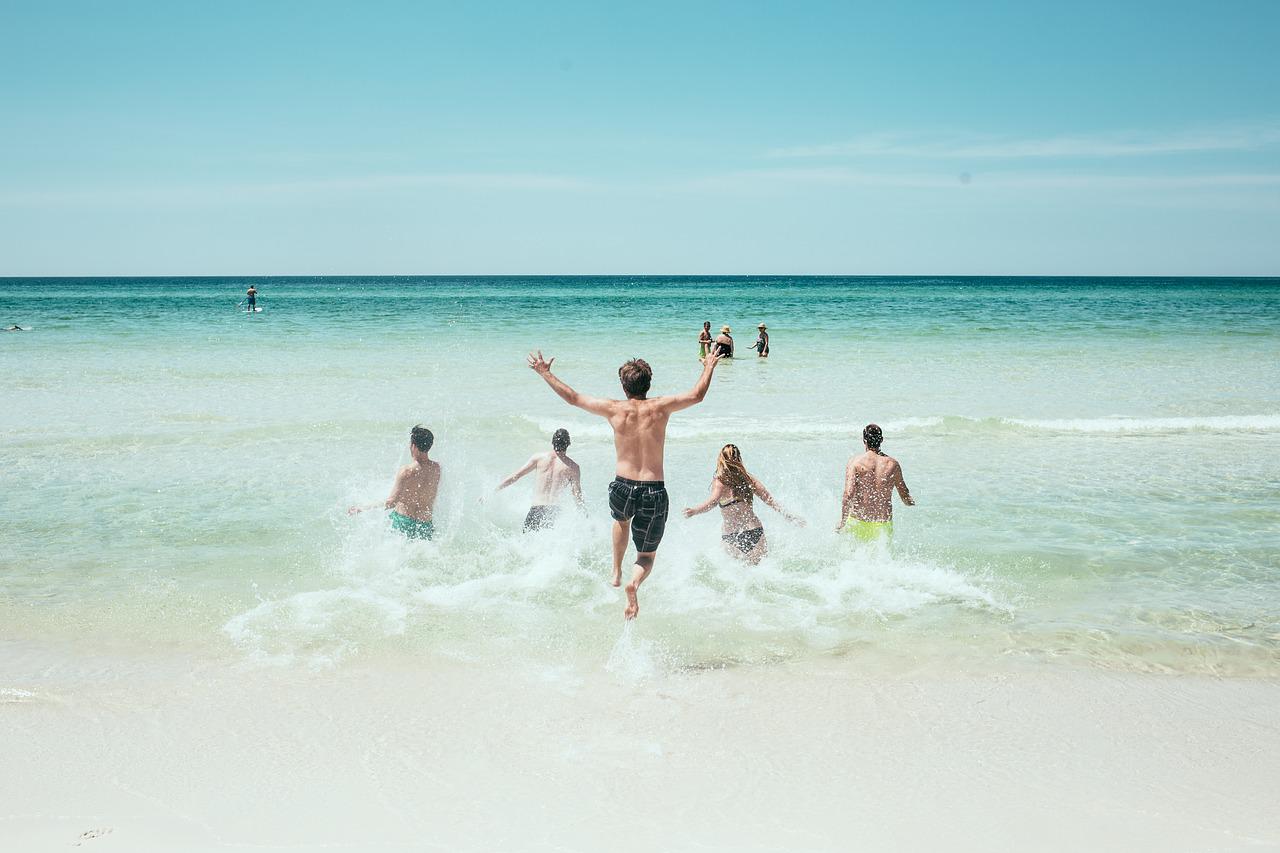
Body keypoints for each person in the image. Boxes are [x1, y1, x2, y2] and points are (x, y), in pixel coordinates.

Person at [527, 349, 721, 619]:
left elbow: (572, 398)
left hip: (622, 486)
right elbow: (697, 395)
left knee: (621, 521)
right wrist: (709, 365)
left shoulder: (614, 409)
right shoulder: (661, 407)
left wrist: (545, 372)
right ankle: (634, 582)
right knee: (646, 557)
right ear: (648, 384)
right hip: (654, 488)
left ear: (623, 385)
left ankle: (616, 570)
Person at [683, 444, 803, 564]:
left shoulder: (720, 482)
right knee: (761, 572)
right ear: (739, 459)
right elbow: (769, 500)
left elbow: (713, 502)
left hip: (731, 536)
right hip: (754, 531)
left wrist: (695, 511)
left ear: (721, 460)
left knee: (735, 577)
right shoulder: (748, 479)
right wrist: (789, 516)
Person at [349, 425, 441, 540]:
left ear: (413, 446)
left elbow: (391, 502)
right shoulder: (436, 468)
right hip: (425, 524)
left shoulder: (406, 471)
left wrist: (363, 508)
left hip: (404, 522)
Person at [496, 428, 586, 531]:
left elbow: (516, 476)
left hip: (536, 510)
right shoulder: (573, 467)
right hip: (553, 512)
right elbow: (577, 495)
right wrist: (584, 515)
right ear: (568, 444)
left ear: (553, 442)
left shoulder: (539, 458)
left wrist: (494, 490)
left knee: (526, 544)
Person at [838, 423, 914, 540]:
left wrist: (842, 522)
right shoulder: (892, 464)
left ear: (864, 441)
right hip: (882, 524)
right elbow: (905, 495)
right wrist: (910, 502)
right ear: (882, 440)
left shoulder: (855, 462)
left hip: (858, 521)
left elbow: (848, 493)